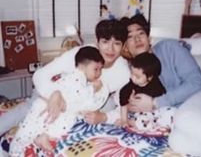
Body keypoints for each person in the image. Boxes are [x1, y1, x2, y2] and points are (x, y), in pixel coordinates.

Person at [0, 19, 130, 151]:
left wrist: (104, 117)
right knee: (28, 109)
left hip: (76, 106)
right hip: (50, 92)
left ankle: (43, 136)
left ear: (123, 45)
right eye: (105, 42)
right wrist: (54, 94)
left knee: (107, 104)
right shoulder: (82, 53)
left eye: (117, 43)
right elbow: (40, 75)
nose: (110, 49)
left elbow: (124, 106)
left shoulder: (123, 73)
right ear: (97, 41)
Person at [121, 14, 201, 157]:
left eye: (141, 33)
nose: (137, 39)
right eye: (130, 36)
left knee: (184, 117)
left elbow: (195, 82)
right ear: (126, 48)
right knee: (177, 141)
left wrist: (155, 103)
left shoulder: (169, 47)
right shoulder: (136, 76)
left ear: (149, 39)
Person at [9, 46, 109, 156]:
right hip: (50, 107)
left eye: (100, 69)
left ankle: (19, 148)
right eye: (96, 69)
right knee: (66, 120)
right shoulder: (77, 79)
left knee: (27, 130)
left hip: (43, 105)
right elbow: (82, 98)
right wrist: (94, 89)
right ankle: (43, 137)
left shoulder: (69, 76)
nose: (99, 73)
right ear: (83, 66)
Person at [118, 52, 166, 127]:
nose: (133, 78)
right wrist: (124, 120)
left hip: (153, 113)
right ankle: (131, 122)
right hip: (137, 114)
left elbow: (162, 101)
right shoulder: (131, 85)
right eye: (132, 73)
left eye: (137, 76)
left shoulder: (156, 85)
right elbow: (123, 98)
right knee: (143, 120)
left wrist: (153, 107)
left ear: (149, 77)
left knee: (169, 112)